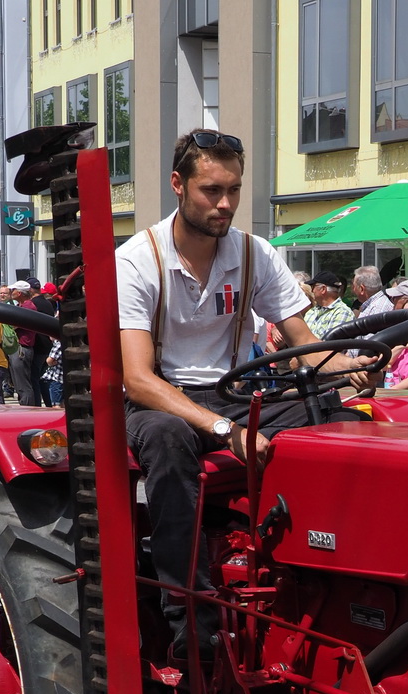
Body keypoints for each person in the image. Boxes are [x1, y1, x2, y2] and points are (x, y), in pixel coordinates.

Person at [116, 129, 362, 657]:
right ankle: (190, 617)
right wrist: (227, 431)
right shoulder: (139, 259)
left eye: (234, 190)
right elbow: (136, 378)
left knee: (338, 416)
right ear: (178, 185)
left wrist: (347, 364)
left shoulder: (254, 253)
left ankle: (331, 574)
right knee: (165, 438)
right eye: (211, 190)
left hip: (230, 393)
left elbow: (302, 342)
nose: (224, 203)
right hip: (159, 400)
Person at [302, 269, 354, 338]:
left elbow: (333, 345)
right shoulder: (311, 312)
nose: (312, 291)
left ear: (323, 289)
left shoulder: (342, 312)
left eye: (313, 287)